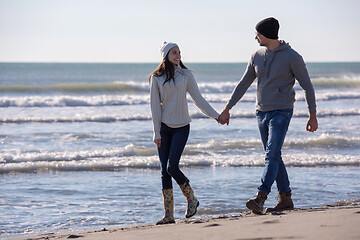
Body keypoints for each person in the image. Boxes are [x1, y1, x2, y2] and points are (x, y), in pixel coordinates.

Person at [218, 17, 318, 214]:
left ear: (267, 35)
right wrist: (228, 107)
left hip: (282, 111)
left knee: (271, 154)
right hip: (261, 112)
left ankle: (260, 197)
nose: (255, 38)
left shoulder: (292, 57)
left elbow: (307, 86)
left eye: (258, 34)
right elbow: (243, 83)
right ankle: (286, 198)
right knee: (274, 156)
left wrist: (312, 114)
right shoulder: (256, 55)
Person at [149, 42, 220, 224]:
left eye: (179, 52)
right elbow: (155, 108)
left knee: (172, 167)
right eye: (174, 52)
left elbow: (198, 99)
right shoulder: (156, 78)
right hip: (164, 129)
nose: (178, 55)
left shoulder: (186, 75)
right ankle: (169, 215)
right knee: (164, 171)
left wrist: (216, 115)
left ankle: (191, 199)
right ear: (165, 55)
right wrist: (156, 132)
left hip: (182, 127)